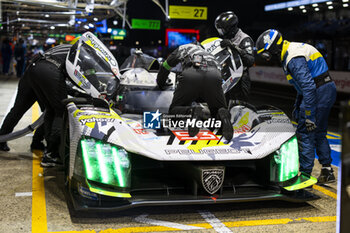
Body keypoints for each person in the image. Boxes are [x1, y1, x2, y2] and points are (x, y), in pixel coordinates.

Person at [255, 29, 337, 184]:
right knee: (319, 132)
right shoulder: (292, 51)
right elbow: (303, 87)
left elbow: (308, 87)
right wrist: (297, 106)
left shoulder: (293, 58)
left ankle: (305, 175)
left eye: (266, 54)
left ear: (273, 49)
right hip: (325, 89)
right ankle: (327, 171)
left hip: (318, 91)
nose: (266, 59)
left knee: (306, 130)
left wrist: (309, 115)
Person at [157, 42, 233, 141]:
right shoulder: (210, 55)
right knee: (217, 111)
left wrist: (161, 83)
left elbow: (165, 66)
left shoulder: (184, 47)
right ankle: (223, 116)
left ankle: (191, 112)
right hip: (215, 75)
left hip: (192, 74)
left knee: (173, 112)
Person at [214, 11, 255, 102]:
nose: (221, 33)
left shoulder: (245, 39)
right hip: (227, 76)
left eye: (222, 30)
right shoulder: (227, 38)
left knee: (240, 105)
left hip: (241, 78)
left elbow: (250, 61)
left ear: (230, 28)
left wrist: (234, 47)